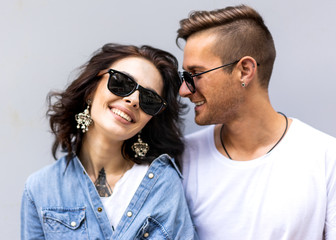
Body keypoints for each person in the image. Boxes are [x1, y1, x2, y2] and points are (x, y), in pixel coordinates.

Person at [176, 4, 336, 240]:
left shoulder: (326, 158)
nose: (183, 91)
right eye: (185, 77)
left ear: (245, 70)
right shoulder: (182, 159)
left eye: (196, 75)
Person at [21, 43, 196, 239]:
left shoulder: (164, 184)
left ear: (150, 119)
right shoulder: (40, 188)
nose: (133, 100)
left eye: (149, 99)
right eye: (122, 83)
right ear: (91, 90)